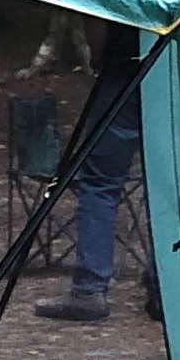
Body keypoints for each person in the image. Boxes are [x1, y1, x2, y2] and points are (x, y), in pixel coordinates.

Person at [35, 25, 151, 326]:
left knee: (100, 181)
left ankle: (89, 288)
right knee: (171, 182)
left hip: (125, 66)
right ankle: (167, 287)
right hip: (179, 68)